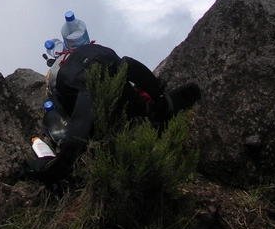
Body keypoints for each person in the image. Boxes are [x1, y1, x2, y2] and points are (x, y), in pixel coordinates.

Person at [26, 42, 201, 184]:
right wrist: (156, 93)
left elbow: (73, 145)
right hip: (102, 60)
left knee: (97, 120)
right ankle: (154, 110)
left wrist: (44, 170)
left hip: (89, 76)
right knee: (123, 92)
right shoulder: (91, 85)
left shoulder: (86, 91)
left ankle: (152, 111)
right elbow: (128, 64)